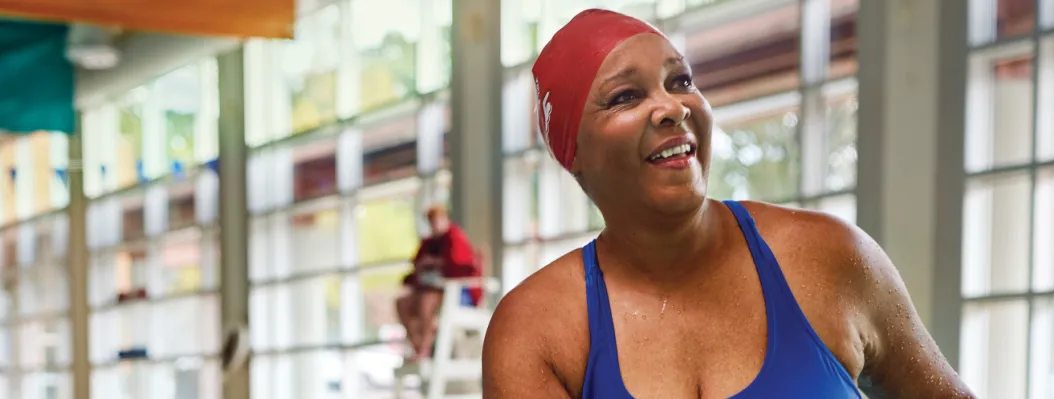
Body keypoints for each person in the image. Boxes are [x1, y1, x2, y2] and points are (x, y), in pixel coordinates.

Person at [482, 9, 976, 399]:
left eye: (681, 81)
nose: (674, 107)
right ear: (575, 154)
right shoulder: (538, 329)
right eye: (626, 96)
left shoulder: (829, 257)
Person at [395, 204, 482, 360]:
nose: (434, 225)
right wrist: (422, 266)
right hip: (432, 290)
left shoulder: (456, 238)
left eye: (437, 221)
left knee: (426, 301)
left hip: (460, 293)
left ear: (445, 219)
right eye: (431, 222)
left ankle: (424, 349)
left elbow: (461, 268)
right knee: (402, 303)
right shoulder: (428, 243)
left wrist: (437, 263)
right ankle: (418, 345)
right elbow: (415, 268)